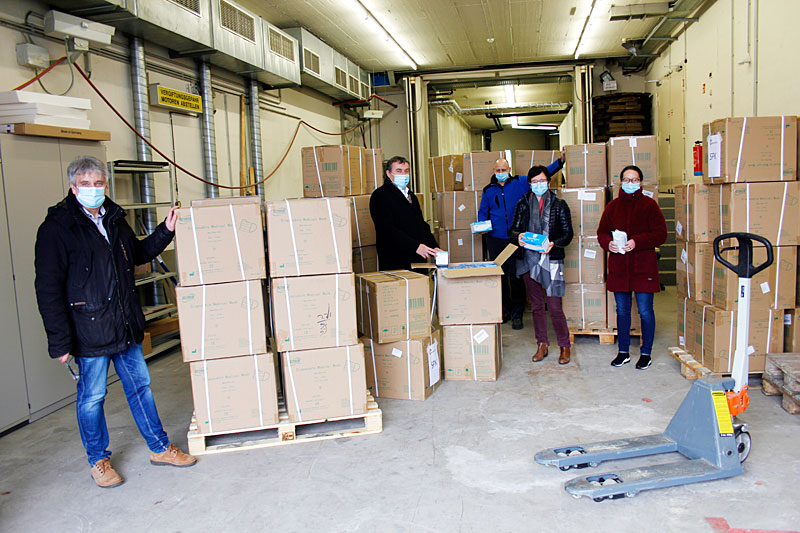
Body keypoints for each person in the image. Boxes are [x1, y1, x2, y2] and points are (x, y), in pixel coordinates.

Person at [34, 156, 196, 489]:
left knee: (141, 389)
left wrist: (166, 230)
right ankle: (98, 460)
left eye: (98, 183)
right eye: (86, 184)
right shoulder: (57, 227)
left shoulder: (115, 219)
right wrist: (59, 342)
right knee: (92, 398)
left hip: (125, 325)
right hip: (89, 329)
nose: (93, 190)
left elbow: (137, 254)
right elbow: (47, 288)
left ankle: (160, 447)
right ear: (73, 187)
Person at [478, 154, 565, 329]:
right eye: (498, 170)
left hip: (516, 239)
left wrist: (560, 162)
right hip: (495, 239)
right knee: (499, 277)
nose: (501, 173)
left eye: (504, 170)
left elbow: (542, 174)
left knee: (516, 277)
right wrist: (481, 228)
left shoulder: (520, 182)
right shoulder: (488, 190)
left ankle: (518, 313)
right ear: (494, 171)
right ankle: (504, 311)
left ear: (509, 170)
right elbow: (483, 211)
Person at [597, 165, 667, 370]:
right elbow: (602, 232)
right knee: (623, 311)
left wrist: (638, 241)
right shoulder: (612, 207)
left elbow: (661, 234)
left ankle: (646, 353)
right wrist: (607, 243)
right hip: (620, 267)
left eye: (634, 180)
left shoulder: (649, 205)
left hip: (643, 266)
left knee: (645, 311)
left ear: (641, 182)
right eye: (626, 180)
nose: (630, 184)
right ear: (620, 182)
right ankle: (624, 352)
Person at [509, 164, 574, 364]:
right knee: (537, 305)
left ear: (549, 181)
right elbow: (513, 230)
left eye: (542, 181)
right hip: (529, 260)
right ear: (529, 184)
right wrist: (518, 237)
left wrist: (554, 244)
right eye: (535, 181)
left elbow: (568, 233)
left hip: (551, 260)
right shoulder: (522, 204)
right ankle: (542, 344)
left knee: (554, 305)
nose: (539, 184)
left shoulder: (559, 205)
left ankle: (564, 346)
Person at [370, 155, 440, 270]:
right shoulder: (380, 196)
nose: (403, 174)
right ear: (388, 173)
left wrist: (434, 247)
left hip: (418, 258)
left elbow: (421, 224)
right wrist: (415, 246)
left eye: (406, 171)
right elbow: (387, 229)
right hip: (396, 259)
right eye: (398, 171)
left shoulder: (411, 195)